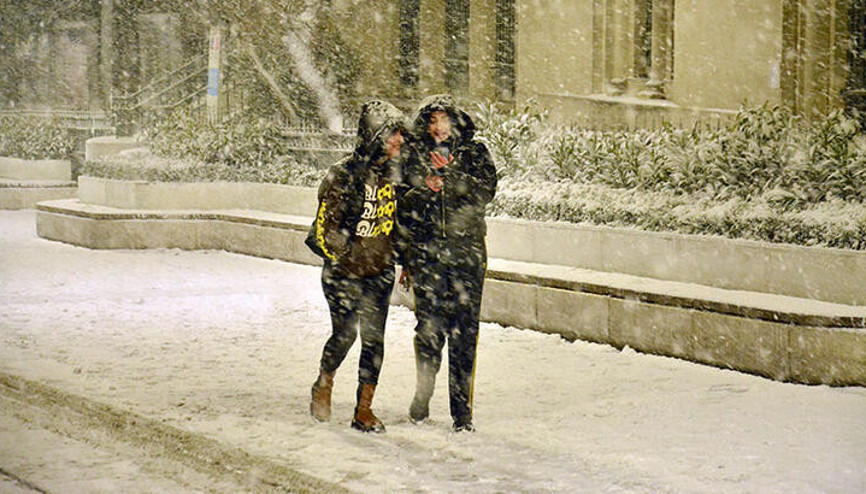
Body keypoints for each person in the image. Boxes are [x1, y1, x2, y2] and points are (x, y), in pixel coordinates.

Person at [396, 94, 497, 432]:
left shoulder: (475, 153)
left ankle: (462, 411)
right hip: (428, 257)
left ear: (455, 121)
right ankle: (422, 396)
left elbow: (485, 192)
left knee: (465, 333)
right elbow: (403, 208)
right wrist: (425, 188)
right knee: (428, 331)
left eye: (442, 119)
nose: (436, 126)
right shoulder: (415, 157)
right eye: (431, 120)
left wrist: (451, 177)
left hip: (467, 256)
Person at [305, 100, 406, 433]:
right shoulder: (344, 174)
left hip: (379, 273)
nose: (399, 141)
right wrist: (350, 254)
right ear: (376, 136)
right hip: (343, 274)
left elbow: (402, 223)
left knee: (374, 342)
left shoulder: (395, 175)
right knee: (346, 334)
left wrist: (402, 259)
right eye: (393, 135)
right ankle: (324, 381)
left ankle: (364, 409)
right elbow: (325, 228)